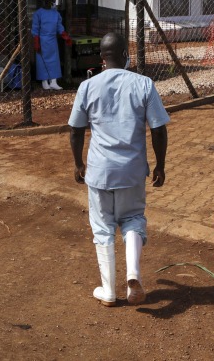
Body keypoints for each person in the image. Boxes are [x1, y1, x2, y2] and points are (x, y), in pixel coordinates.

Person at [68, 32, 169, 307]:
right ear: (126, 54)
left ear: (102, 58)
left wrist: (79, 163)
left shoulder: (88, 87)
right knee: (134, 218)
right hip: (132, 170)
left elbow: (76, 130)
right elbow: (158, 129)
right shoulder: (144, 84)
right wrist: (160, 164)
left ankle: (109, 290)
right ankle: (133, 275)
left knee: (103, 227)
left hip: (100, 171)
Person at [32, 0, 72, 90]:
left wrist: (65, 37)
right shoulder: (38, 13)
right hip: (42, 40)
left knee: (54, 61)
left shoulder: (56, 14)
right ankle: (44, 81)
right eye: (50, 2)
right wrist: (36, 41)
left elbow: (59, 26)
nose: (51, 4)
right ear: (45, 2)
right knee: (42, 61)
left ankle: (53, 82)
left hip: (52, 40)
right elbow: (35, 28)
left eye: (52, 2)